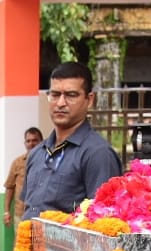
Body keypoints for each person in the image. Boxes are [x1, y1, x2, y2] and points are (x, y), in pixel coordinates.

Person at [20, 61, 122, 221]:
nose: (60, 103)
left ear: (89, 100)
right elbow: (28, 209)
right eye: (54, 95)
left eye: (71, 95)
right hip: (29, 244)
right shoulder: (37, 154)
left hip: (68, 246)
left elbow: (103, 224)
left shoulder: (98, 154)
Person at [3, 127, 44, 226]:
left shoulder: (49, 161)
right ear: (25, 143)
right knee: (21, 241)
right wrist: (6, 211)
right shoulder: (17, 162)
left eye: (35, 140)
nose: (31, 143)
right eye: (28, 141)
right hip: (21, 213)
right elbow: (10, 187)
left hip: (42, 214)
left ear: (42, 142)